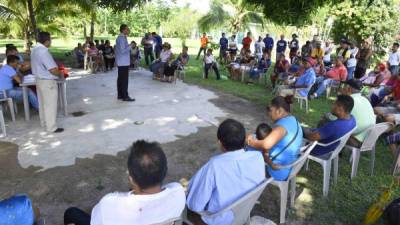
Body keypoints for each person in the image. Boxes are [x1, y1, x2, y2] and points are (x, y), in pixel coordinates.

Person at [64, 140, 186, 225]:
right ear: (165, 171)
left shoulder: (110, 203)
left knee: (71, 213)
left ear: (131, 178)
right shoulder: (178, 192)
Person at [187, 119, 265, 225]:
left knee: (189, 211)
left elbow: (195, 205)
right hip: (243, 212)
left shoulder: (214, 166)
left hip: (218, 220)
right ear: (244, 140)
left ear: (220, 142)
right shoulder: (257, 157)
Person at [247, 96, 303, 181]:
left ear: (279, 111)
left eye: (270, 110)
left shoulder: (283, 126)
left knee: (247, 148)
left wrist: (250, 142)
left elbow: (266, 144)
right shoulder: (292, 120)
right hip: (287, 167)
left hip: (277, 171)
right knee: (254, 139)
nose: (268, 113)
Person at [31, 31, 64, 133]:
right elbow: (53, 70)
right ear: (47, 41)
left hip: (39, 80)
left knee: (43, 104)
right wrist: (61, 74)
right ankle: (51, 127)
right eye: (50, 40)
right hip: (47, 81)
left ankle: (44, 123)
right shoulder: (44, 51)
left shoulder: (35, 49)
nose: (51, 42)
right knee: (50, 104)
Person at [340, 79, 376, 147]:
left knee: (326, 122)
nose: (341, 87)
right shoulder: (365, 99)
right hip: (369, 140)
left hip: (356, 141)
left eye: (343, 86)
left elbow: (334, 120)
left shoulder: (348, 101)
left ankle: (322, 148)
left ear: (348, 88)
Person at [115, 24, 134, 102]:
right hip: (123, 62)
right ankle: (125, 96)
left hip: (121, 61)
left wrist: (128, 45)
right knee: (124, 80)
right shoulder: (122, 38)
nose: (128, 30)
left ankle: (120, 95)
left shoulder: (120, 37)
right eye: (127, 29)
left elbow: (120, 49)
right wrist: (131, 46)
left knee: (120, 79)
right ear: (123, 30)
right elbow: (123, 50)